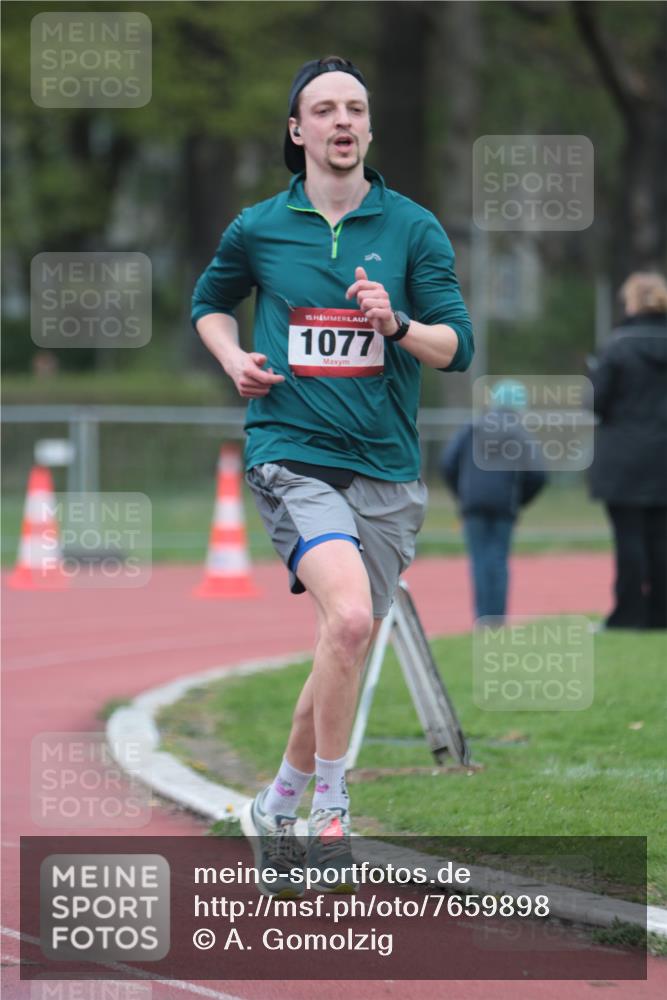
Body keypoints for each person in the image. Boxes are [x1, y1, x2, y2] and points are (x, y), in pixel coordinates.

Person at [191, 55, 473, 896]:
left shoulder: (413, 228)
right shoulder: (258, 228)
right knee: (350, 620)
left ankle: (272, 804)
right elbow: (208, 302)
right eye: (324, 109)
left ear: (369, 129)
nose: (341, 121)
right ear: (297, 130)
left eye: (355, 108)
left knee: (338, 643)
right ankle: (329, 809)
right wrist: (232, 355)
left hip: (386, 469)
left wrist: (397, 323)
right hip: (290, 453)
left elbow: (456, 347)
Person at [587, 271, 667, 630]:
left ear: (632, 302)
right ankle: (661, 614)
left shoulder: (619, 345)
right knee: (661, 539)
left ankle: (629, 613)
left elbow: (596, 402)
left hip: (624, 458)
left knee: (629, 538)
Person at [441, 379, 547, 624]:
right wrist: (520, 500)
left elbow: (448, 463)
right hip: (505, 505)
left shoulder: (472, 426)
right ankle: (497, 619)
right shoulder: (519, 431)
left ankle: (481, 618)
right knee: (498, 559)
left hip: (472, 504)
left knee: (479, 560)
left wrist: (462, 493)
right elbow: (538, 474)